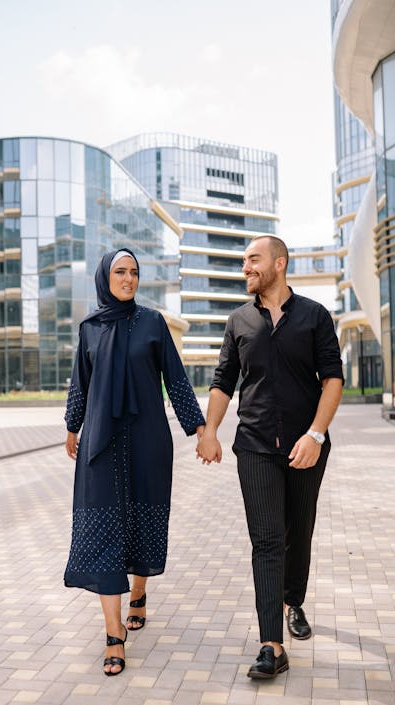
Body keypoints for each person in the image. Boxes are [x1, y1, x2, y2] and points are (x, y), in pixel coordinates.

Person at [197, 235, 343, 679]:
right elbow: (223, 381)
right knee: (266, 540)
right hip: (256, 445)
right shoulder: (238, 320)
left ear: (279, 264)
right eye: (243, 261)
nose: (245, 268)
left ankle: (292, 600)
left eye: (252, 260)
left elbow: (333, 379)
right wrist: (210, 430)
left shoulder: (315, 317)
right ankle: (271, 645)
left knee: (299, 531)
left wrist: (315, 435)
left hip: (306, 446)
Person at [64, 248, 205, 676]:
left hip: (147, 441)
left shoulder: (153, 323)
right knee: (103, 529)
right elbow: (80, 384)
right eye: (120, 271)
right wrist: (72, 427)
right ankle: (113, 635)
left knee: (140, 523)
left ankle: (139, 593)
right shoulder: (90, 328)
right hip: (100, 446)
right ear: (105, 276)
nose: (128, 278)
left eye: (134, 273)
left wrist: (201, 429)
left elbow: (175, 378)